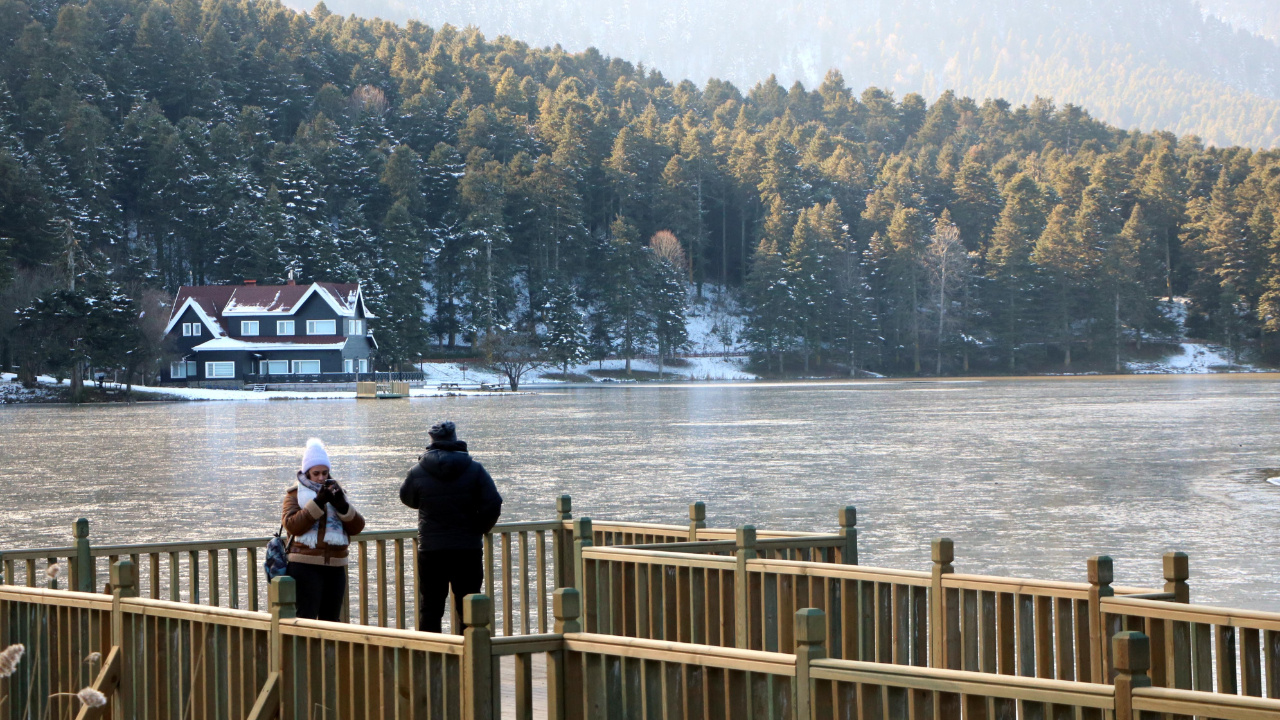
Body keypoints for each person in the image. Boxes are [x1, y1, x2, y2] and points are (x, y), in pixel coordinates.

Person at [399, 421, 502, 633]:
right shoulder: (474, 469)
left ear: (432, 441)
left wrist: (427, 502)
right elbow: (493, 502)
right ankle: (472, 656)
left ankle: (431, 660)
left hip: (431, 549)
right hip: (467, 548)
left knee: (430, 607)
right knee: (469, 606)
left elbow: (407, 498)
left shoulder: (418, 471)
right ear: (455, 439)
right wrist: (480, 527)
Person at [282, 438, 365, 621]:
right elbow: (293, 525)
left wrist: (342, 506)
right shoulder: (294, 495)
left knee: (331, 622)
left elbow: (357, 527)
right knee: (306, 619)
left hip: (335, 565)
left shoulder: (337, 492)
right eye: (316, 473)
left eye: (325, 473)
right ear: (307, 473)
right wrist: (318, 502)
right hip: (305, 565)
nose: (321, 478)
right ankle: (307, 651)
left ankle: (327, 651)